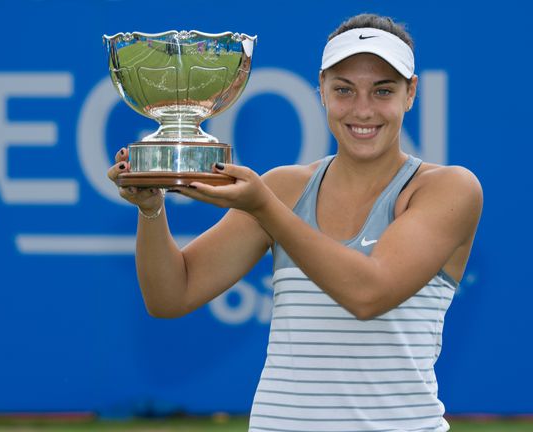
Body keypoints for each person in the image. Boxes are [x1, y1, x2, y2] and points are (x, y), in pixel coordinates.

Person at [107, 13, 482, 432]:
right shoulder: (284, 188)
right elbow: (171, 296)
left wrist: (266, 208)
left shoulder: (449, 189)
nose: (363, 110)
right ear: (320, 89)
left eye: (382, 91)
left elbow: (368, 293)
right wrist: (150, 208)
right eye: (344, 90)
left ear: (410, 93)